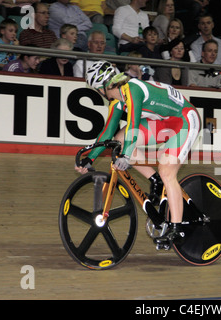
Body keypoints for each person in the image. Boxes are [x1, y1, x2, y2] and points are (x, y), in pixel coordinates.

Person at [75, 60, 202, 246]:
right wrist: (90, 158)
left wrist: (126, 156)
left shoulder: (132, 89)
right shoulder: (117, 101)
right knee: (118, 141)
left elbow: (133, 124)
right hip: (165, 122)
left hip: (185, 119)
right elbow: (107, 133)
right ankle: (155, 180)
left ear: (102, 88)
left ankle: (176, 228)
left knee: (167, 170)